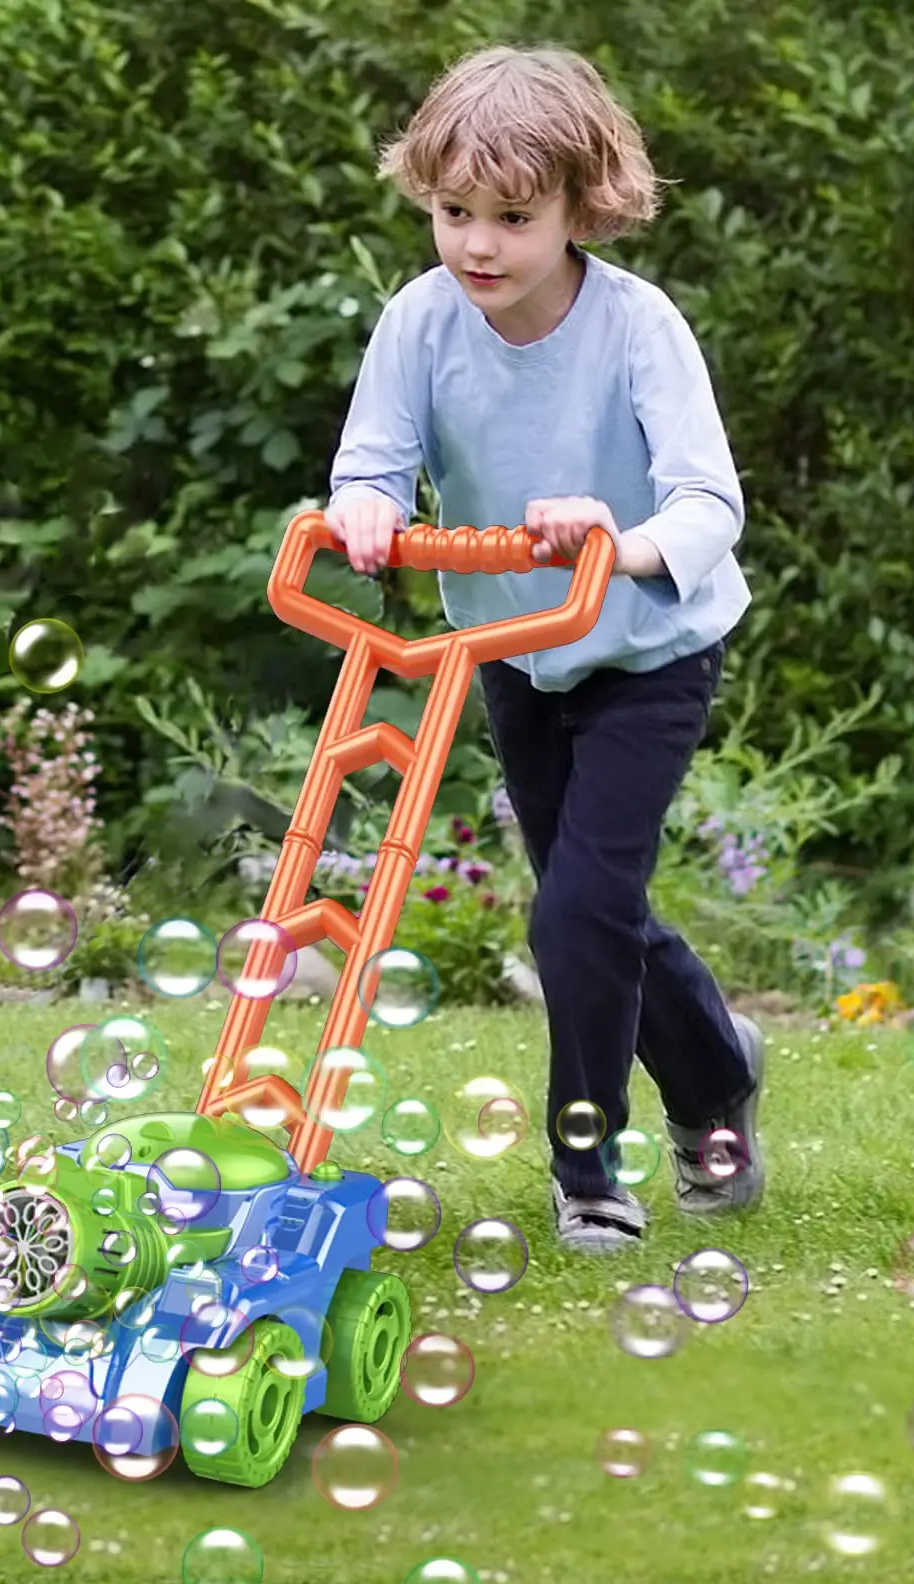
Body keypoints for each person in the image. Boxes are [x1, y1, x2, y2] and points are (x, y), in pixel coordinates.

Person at [325, 43, 766, 1253]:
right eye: (451, 211)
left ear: (582, 205)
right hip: (513, 650)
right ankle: (721, 1066)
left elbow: (707, 505)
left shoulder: (636, 326)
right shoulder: (419, 322)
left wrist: (615, 543)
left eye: (511, 217)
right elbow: (369, 462)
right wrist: (366, 506)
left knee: (575, 908)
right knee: (591, 905)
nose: (476, 243)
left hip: (649, 647)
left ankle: (589, 1169)